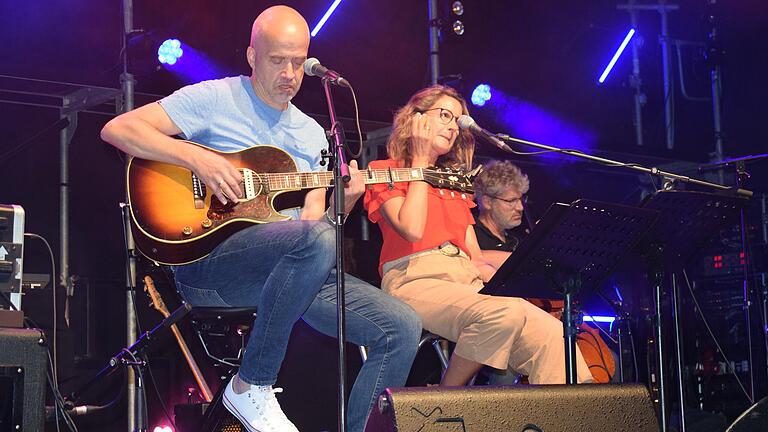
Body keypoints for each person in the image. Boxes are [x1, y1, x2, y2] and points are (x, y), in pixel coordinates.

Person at [101, 6, 421, 432]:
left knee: (402, 326)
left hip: (291, 269)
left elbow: (313, 225)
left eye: (298, 61)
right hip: (211, 265)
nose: (289, 73)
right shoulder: (215, 98)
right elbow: (118, 129)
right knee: (313, 241)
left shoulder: (312, 134)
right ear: (252, 56)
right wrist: (197, 158)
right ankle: (251, 384)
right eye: (277, 60)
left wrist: (339, 205)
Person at [363, 85, 592, 386]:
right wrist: (420, 162)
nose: (452, 126)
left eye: (457, 121)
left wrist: (531, 279)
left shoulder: (454, 184)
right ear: (415, 119)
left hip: (466, 282)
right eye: (444, 115)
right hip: (415, 279)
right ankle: (446, 401)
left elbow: (476, 259)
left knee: (558, 342)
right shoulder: (384, 170)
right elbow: (411, 228)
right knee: (503, 313)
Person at [472, 160, 530, 268]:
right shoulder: (471, 236)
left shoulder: (516, 239)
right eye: (511, 201)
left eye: (521, 200)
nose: (520, 207)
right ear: (487, 202)